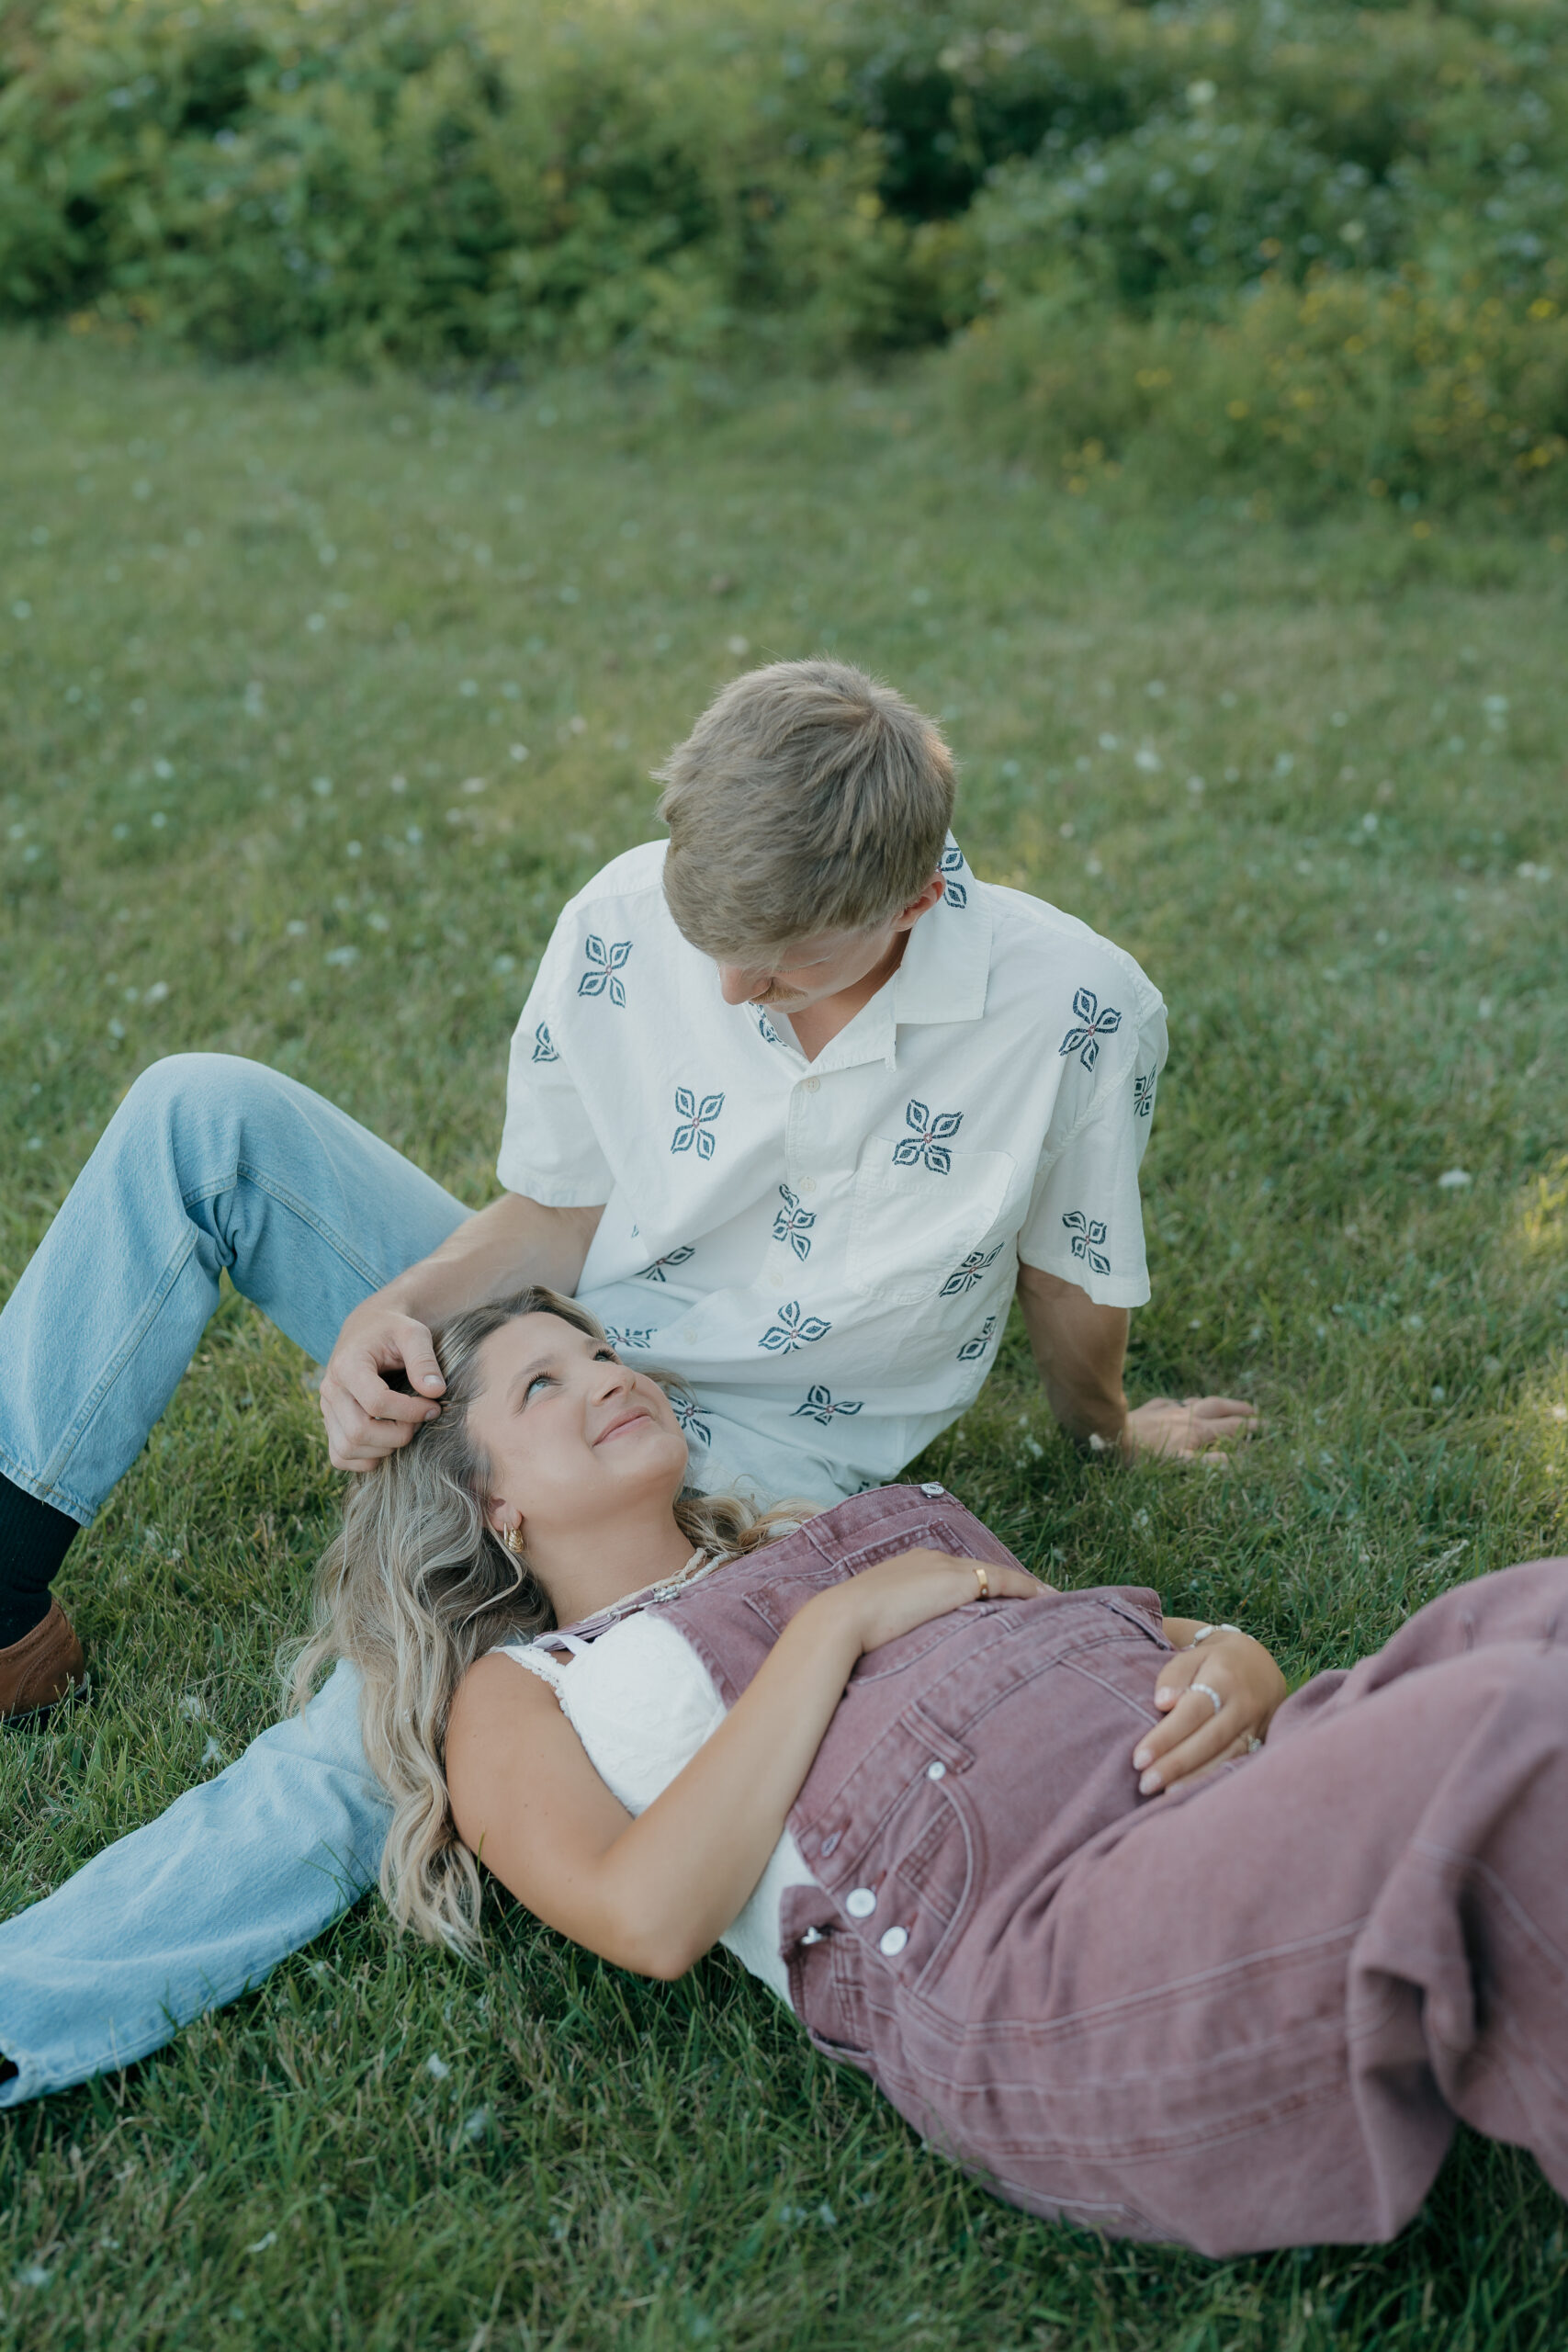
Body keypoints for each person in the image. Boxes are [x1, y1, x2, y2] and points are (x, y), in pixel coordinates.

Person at [0, 658, 1254, 2104]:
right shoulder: (620, 917)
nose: (728, 988)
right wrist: (397, 1308)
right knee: (199, 1111)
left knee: (370, 1733)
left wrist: (1109, 1432)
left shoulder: (1076, 1011)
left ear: (915, 901)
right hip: (553, 1325)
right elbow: (549, 1219)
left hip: (756, 1458)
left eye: (777, 964)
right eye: (705, 934)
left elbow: (1068, 1282)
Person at [233, 1295, 1568, 2250]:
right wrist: (834, 1627)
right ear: (490, 1505)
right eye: (543, 1387)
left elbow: (1133, 1640)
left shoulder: (815, 1529)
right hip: (1048, 1959)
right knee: (1518, 1716)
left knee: (1536, 1618)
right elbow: (647, 1920)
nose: (605, 1377)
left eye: (600, 1351)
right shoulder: (527, 1693)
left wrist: (1241, 1659)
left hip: (1227, 1795)